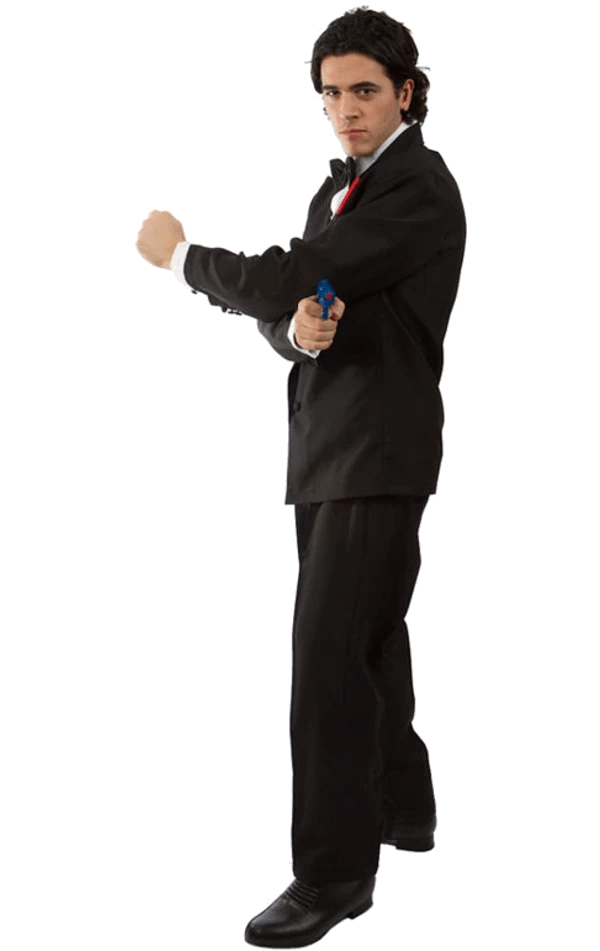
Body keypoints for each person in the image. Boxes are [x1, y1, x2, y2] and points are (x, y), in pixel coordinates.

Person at [136, 9, 465, 948]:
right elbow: (304, 309)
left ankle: (331, 875)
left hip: (375, 450)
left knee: (326, 661)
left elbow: (296, 270)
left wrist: (183, 258)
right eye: (331, 93)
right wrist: (297, 332)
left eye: (364, 90)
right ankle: (404, 811)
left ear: (405, 93)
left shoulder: (416, 185)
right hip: (331, 449)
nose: (345, 109)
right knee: (369, 641)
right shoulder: (340, 187)